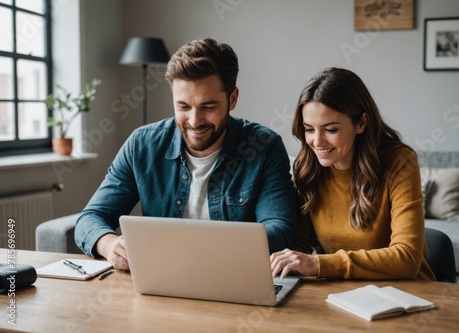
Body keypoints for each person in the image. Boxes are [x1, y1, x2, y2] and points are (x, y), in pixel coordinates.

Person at [75, 37, 297, 270]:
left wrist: (206, 251)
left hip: (232, 274)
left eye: (208, 107)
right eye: (183, 107)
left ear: (232, 99)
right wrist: (108, 244)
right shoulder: (141, 145)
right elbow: (91, 218)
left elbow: (280, 229)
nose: (194, 121)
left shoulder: (263, 146)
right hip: (160, 278)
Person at [270, 67, 435, 281]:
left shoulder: (399, 162)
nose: (317, 142)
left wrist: (319, 263)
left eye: (330, 130)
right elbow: (301, 243)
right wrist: (280, 262)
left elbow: (407, 258)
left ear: (361, 123)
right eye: (309, 129)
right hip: (342, 294)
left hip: (406, 293)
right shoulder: (308, 168)